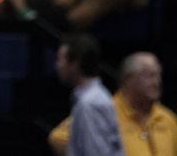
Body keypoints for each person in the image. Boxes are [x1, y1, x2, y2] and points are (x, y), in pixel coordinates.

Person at [48, 52, 177, 156]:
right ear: (128, 79)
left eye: (158, 75)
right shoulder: (104, 109)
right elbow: (58, 138)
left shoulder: (167, 118)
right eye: (150, 76)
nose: (157, 82)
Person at [49, 34, 125, 156]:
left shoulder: (89, 104)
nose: (57, 65)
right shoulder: (95, 97)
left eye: (60, 59)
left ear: (75, 64)